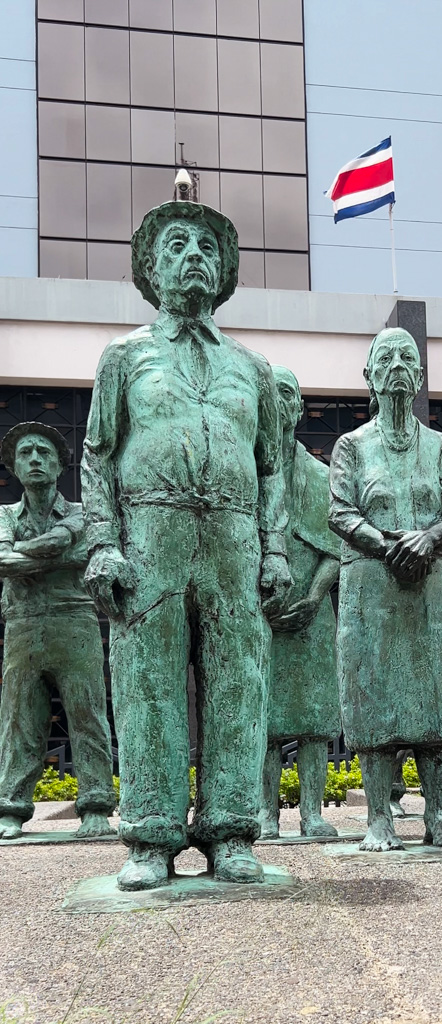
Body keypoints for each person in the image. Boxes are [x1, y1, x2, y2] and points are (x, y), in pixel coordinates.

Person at [81, 200, 292, 890]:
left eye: (206, 245)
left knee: (240, 681)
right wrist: (103, 544)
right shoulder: (125, 356)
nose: (192, 254)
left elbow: (272, 468)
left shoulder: (253, 367)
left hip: (233, 535)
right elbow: (98, 458)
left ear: (225, 269)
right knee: (148, 682)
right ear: (151, 267)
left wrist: (277, 550)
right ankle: (150, 836)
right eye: (176, 245)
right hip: (152, 532)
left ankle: (231, 831)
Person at [329, 327, 442, 851]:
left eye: (406, 358)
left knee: (435, 694)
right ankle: (378, 820)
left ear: (418, 375)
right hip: (372, 585)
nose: (396, 365)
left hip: (430, 583)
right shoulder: (351, 446)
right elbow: (340, 512)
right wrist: (387, 544)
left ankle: (438, 815)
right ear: (369, 374)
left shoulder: (441, 446)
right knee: (375, 694)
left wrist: (429, 536)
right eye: (384, 357)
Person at [0, 423, 115, 841]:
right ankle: (11, 808)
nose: (34, 459)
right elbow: (2, 564)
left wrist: (22, 554)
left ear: (59, 464)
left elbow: (78, 551)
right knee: (19, 719)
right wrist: (57, 551)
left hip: (75, 622)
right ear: (13, 466)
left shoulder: (84, 513)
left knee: (87, 715)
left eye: (43, 453)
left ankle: (97, 806)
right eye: (26, 452)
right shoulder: (4, 515)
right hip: (23, 626)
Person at [258, 366, 341, 840]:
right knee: (266, 721)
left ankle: (312, 812)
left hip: (312, 608)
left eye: (289, 395)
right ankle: (267, 814)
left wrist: (313, 597)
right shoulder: (248, 472)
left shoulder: (320, 475)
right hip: (262, 612)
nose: (282, 404)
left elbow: (335, 548)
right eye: (273, 396)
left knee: (313, 721)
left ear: (299, 407)